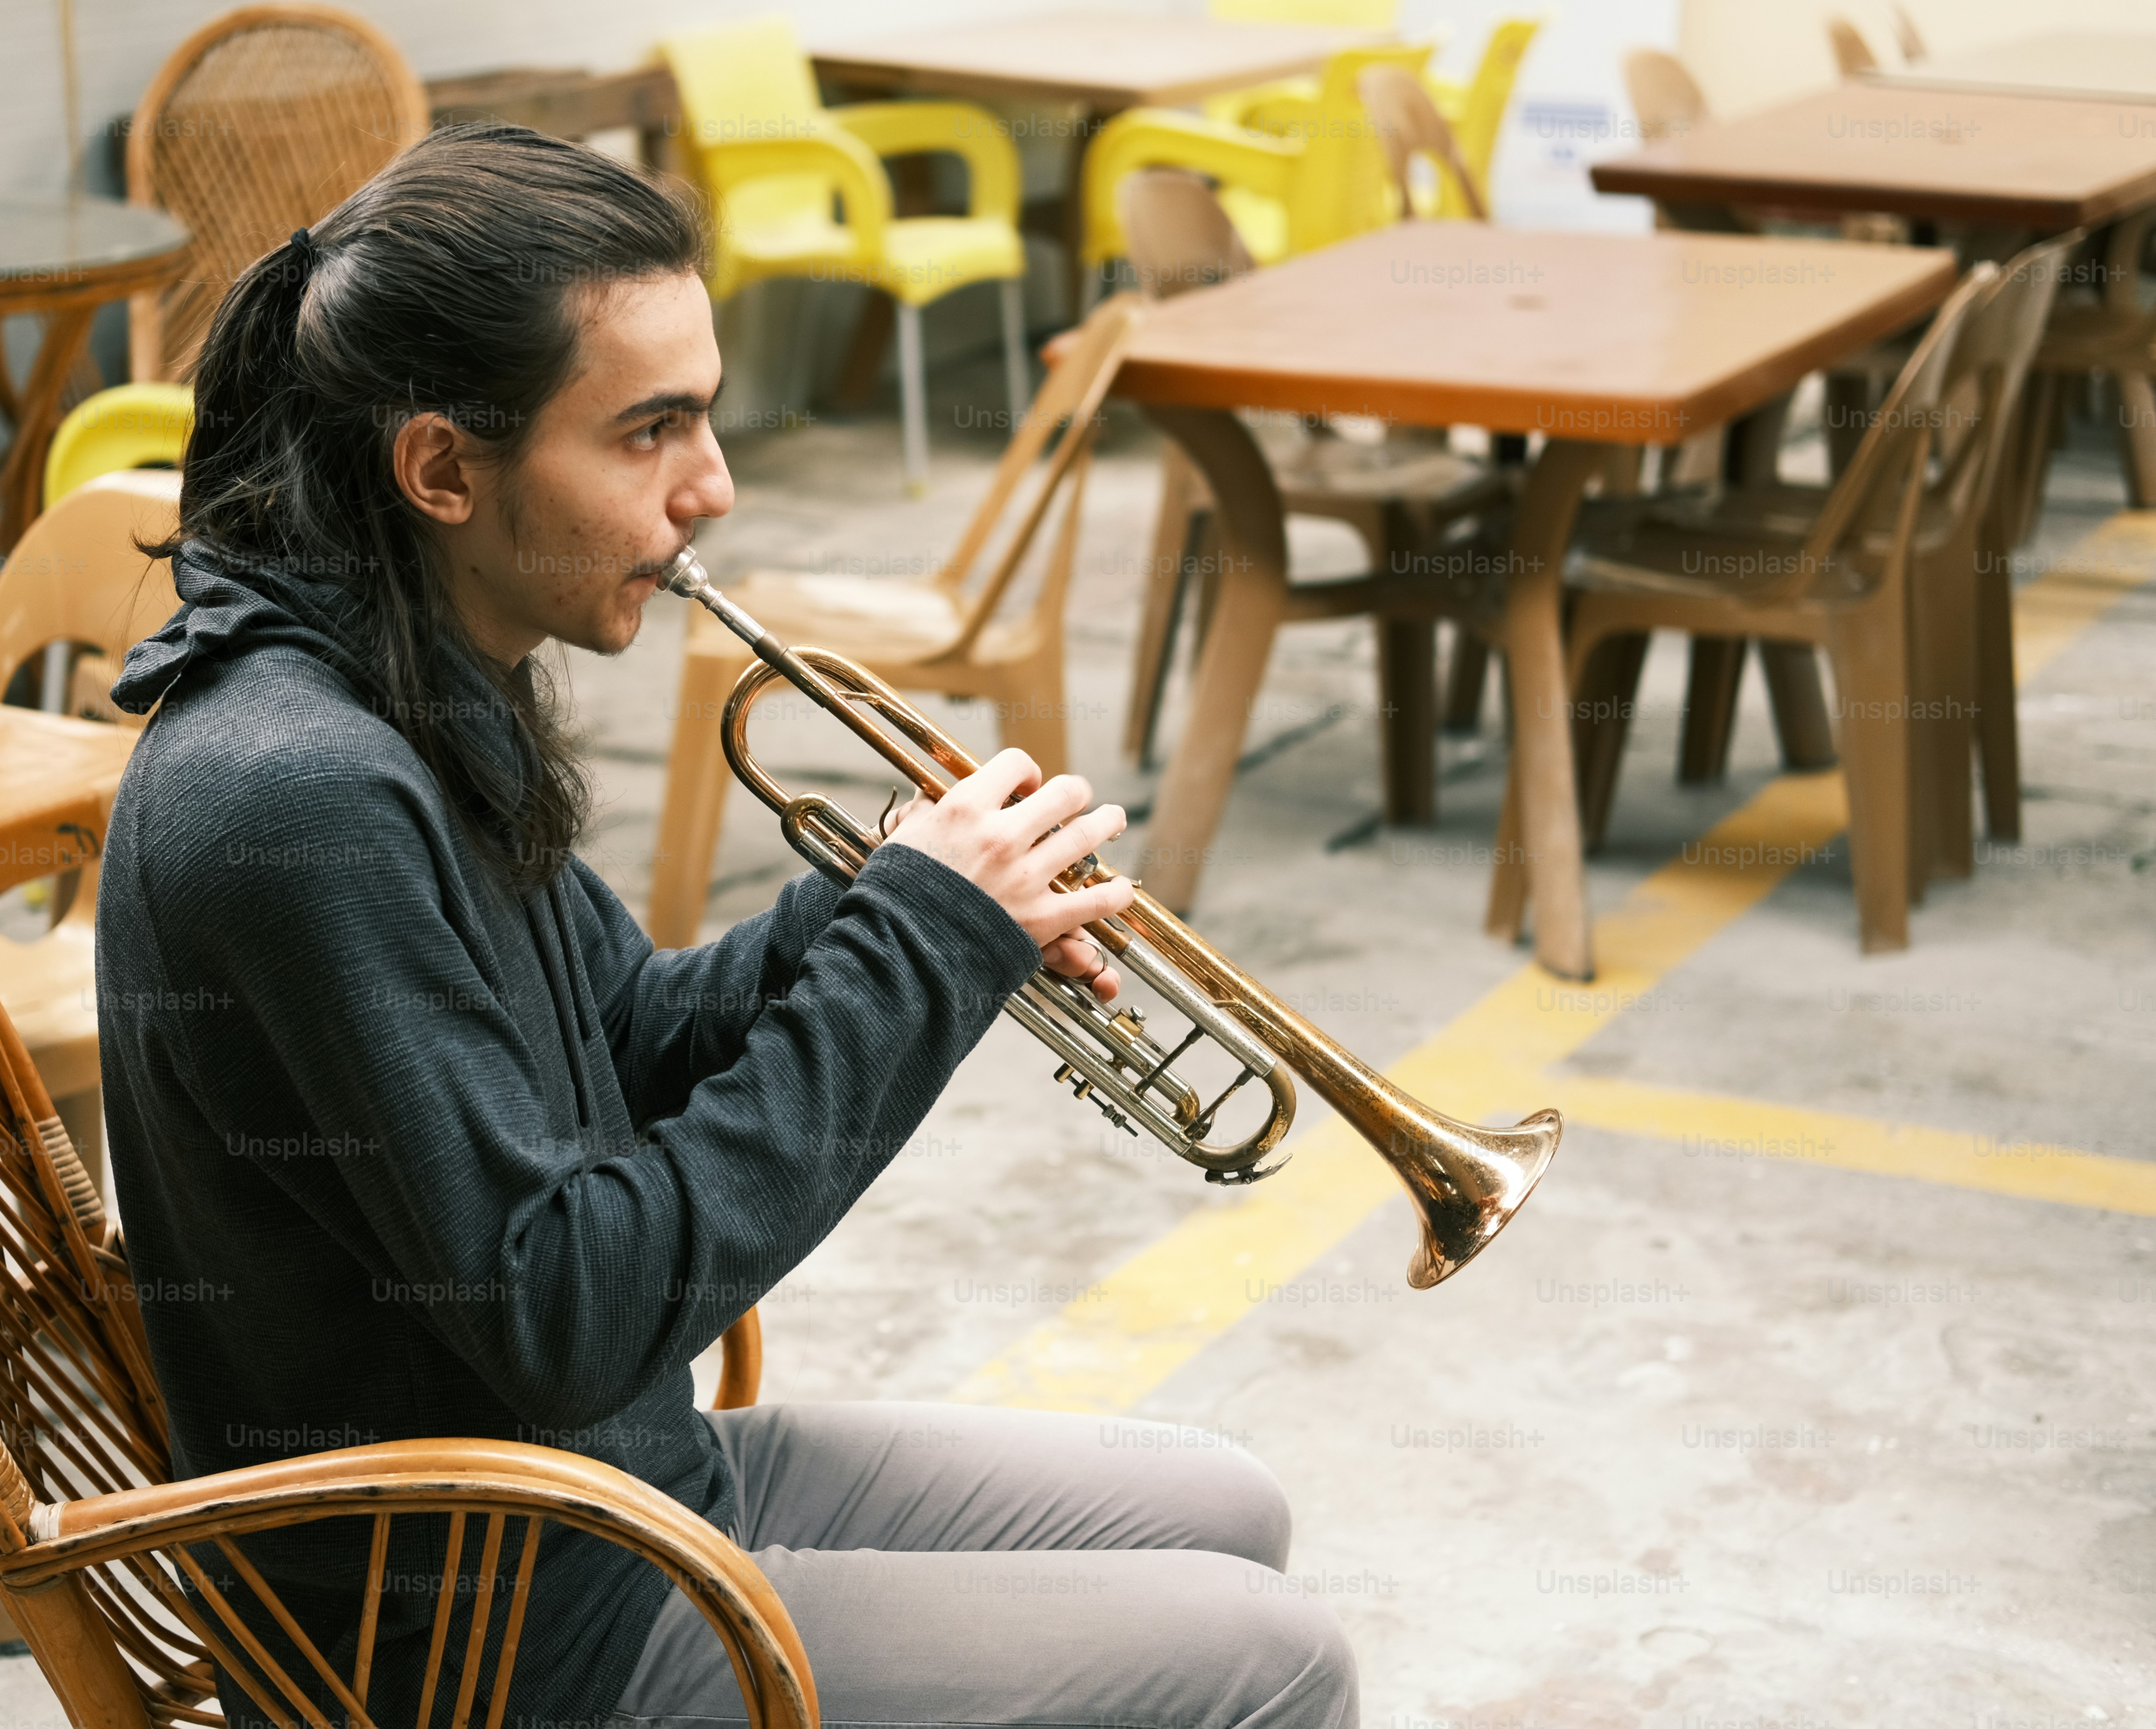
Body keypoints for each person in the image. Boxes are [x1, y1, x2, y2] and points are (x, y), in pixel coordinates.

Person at [94, 121, 1360, 1729]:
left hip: (604, 1490)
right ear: (440, 469)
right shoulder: (299, 794)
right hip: (497, 1636)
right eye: (648, 431)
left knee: (1228, 1504)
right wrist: (920, 951)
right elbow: (561, 1307)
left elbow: (620, 1039)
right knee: (1278, 1666)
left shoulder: (412, 678)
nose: (716, 485)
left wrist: (886, 891)